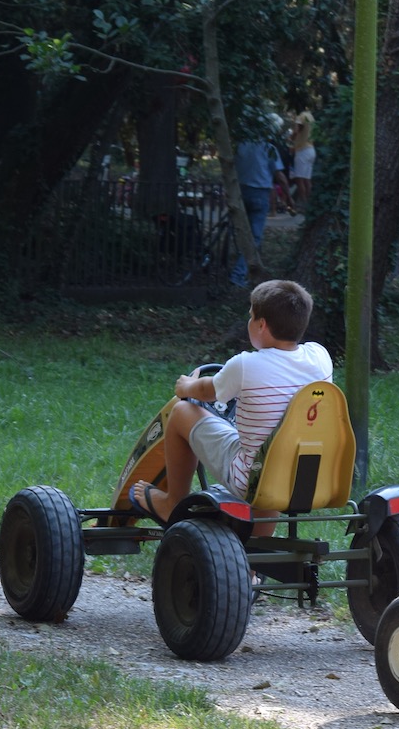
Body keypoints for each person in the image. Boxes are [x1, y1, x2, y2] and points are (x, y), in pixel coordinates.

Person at [128, 279, 331, 535]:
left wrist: (187, 386)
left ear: (261, 325)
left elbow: (206, 391)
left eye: (251, 316)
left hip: (252, 478)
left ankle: (172, 502)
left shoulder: (245, 365)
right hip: (309, 477)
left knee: (181, 413)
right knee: (274, 453)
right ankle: (256, 561)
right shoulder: (320, 357)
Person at [231, 138, 287, 286]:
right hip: (260, 193)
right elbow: (280, 176)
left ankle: (244, 266)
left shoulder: (241, 145)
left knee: (240, 231)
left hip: (240, 192)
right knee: (254, 237)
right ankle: (238, 274)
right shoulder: (269, 148)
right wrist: (288, 198)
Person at [289, 110, 315, 208]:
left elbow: (296, 130)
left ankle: (303, 205)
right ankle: (309, 204)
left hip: (302, 150)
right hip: (311, 149)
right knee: (307, 179)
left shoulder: (301, 116)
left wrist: (290, 139)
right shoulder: (310, 117)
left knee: (299, 179)